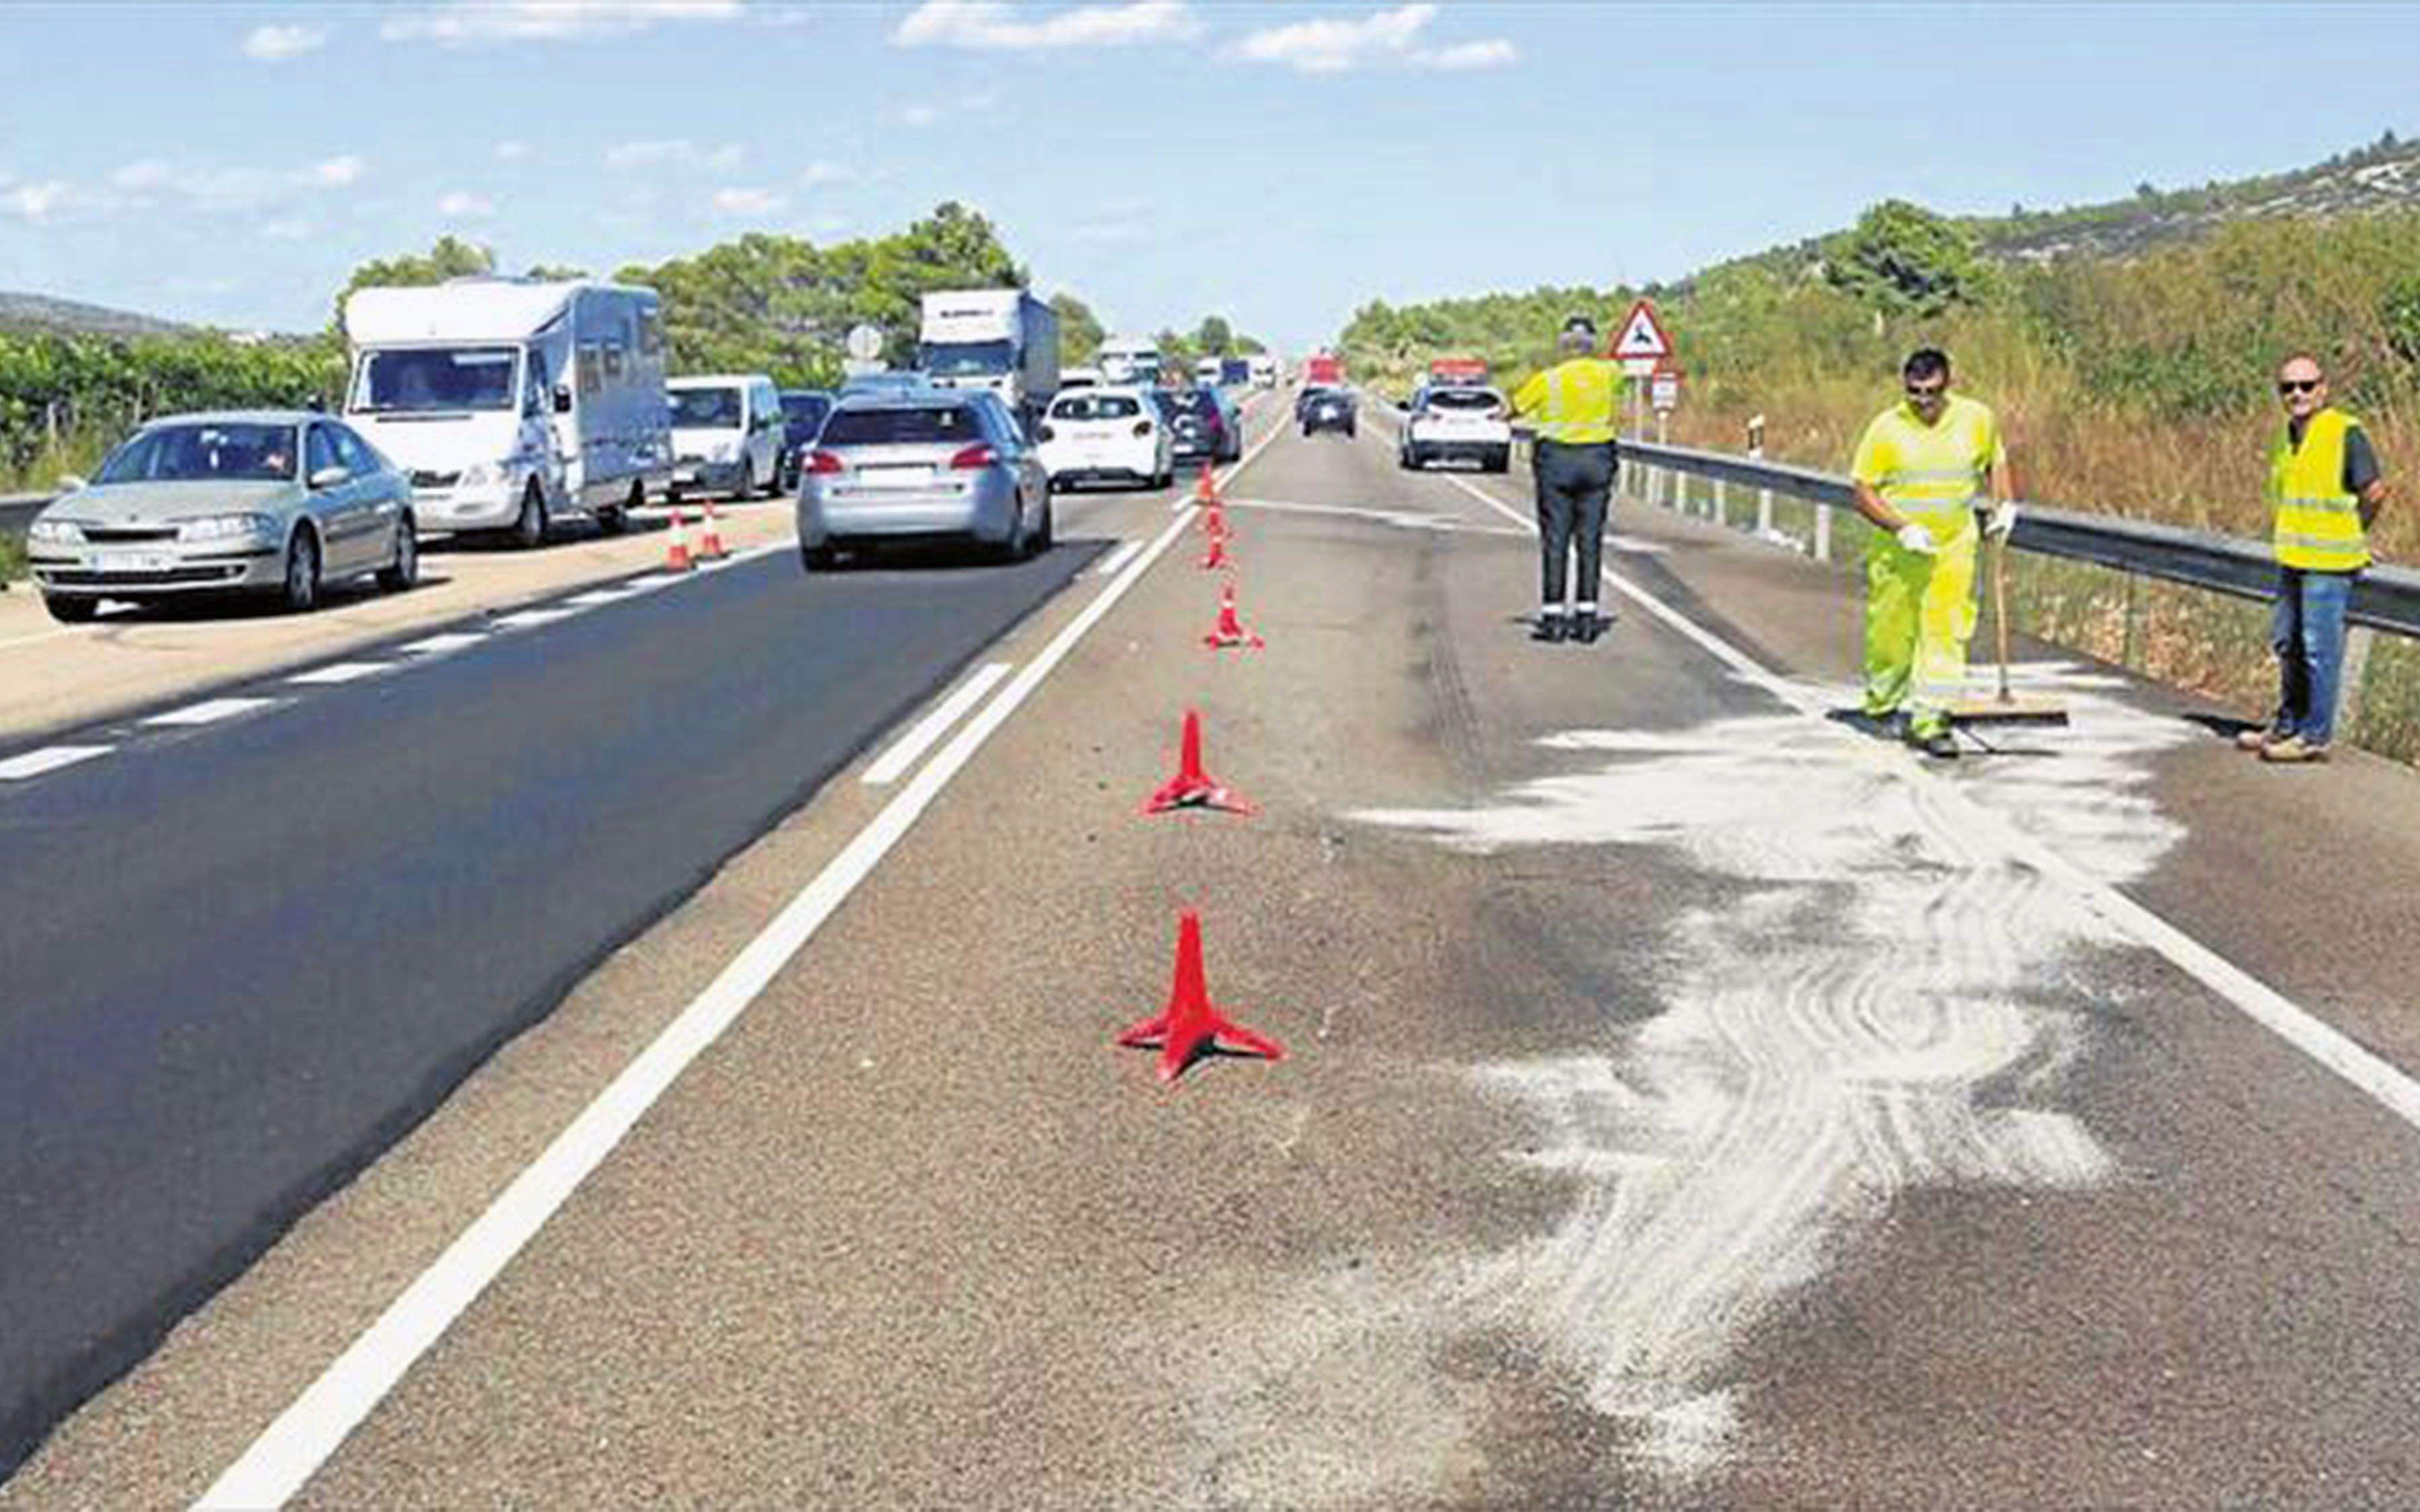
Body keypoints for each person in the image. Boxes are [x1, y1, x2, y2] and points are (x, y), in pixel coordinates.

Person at [1848, 348, 2015, 759]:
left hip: (1954, 547)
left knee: (1945, 632)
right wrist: (1901, 529)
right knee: (1892, 635)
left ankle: (1932, 719)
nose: (1923, 401)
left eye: (1931, 392)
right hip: (1900, 550)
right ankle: (1884, 701)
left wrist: (2006, 504)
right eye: (1914, 392)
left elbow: (1995, 462)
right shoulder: (1886, 429)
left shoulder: (1977, 419)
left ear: (1949, 384)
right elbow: (1862, 491)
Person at [2237, 353, 2391, 763]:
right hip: (2292, 558)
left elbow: (2374, 491)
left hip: (2330, 564)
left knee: (2319, 651)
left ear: (2324, 388)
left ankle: (2314, 736)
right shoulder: (2284, 438)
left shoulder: (2344, 432)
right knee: (2287, 644)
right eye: (2289, 387)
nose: (2298, 394)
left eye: (2307, 385)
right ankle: (2287, 725)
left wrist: (2355, 534)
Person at [1508, 314, 1622, 643]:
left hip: (1556, 464)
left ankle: (1554, 619)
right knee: (1590, 541)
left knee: (1556, 540)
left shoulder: (1549, 380)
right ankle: (1587, 620)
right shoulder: (1609, 375)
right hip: (1598, 462)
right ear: (1591, 344)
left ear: (1563, 345)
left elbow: (1514, 408)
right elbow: (1627, 376)